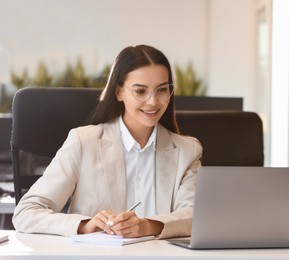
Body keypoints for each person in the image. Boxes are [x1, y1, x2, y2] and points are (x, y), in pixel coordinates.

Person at [12, 45, 203, 239]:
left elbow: (195, 216)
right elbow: (26, 213)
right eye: (140, 91)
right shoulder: (84, 142)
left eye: (161, 90)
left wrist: (148, 226)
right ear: (119, 92)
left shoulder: (187, 150)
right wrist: (86, 225)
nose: (153, 101)